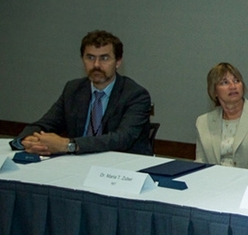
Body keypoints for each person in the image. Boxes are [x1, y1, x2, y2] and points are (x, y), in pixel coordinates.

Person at [10, 29, 153, 156]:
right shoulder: (73, 89)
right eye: (90, 57)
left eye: (104, 58)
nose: (96, 65)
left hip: (119, 167)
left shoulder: (135, 95)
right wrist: (27, 140)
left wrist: (68, 145)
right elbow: (45, 124)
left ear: (118, 62)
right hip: (77, 164)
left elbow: (121, 139)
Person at [194, 63, 248, 173]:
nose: (233, 86)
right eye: (225, 82)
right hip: (214, 184)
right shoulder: (203, 122)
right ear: (214, 91)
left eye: (236, 81)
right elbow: (200, 164)